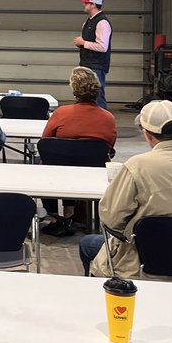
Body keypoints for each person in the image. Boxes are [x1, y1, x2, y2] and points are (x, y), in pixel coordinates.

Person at [78, 100, 172, 282]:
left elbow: (110, 218)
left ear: (146, 133)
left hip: (146, 268)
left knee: (88, 244)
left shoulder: (137, 166)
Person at [40, 66, 118, 237]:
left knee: (48, 160)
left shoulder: (61, 113)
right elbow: (110, 147)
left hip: (60, 170)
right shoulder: (108, 118)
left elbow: (45, 142)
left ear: (74, 90)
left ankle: (54, 215)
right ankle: (72, 213)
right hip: (92, 171)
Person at [73, 0, 112, 109]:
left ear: (93, 5)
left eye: (86, 3)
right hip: (87, 64)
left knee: (98, 96)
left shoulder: (102, 22)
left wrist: (84, 43)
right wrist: (82, 45)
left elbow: (102, 47)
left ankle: (102, 122)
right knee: (85, 96)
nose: (84, 5)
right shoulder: (88, 21)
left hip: (96, 65)